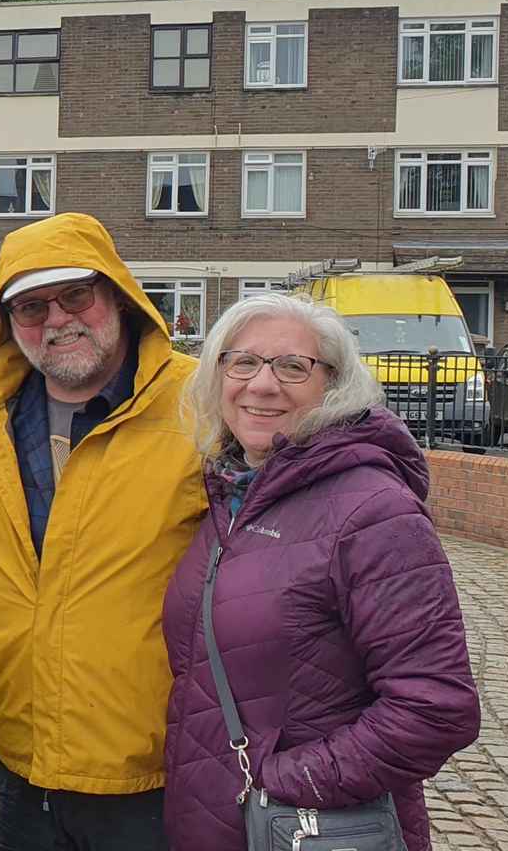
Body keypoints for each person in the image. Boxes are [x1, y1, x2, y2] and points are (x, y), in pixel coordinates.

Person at [162, 293, 481, 851]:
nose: (262, 384)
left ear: (333, 385)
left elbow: (436, 708)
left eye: (292, 366)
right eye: (242, 362)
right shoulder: (231, 495)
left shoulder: (374, 511)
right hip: (216, 822)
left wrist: (284, 781)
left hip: (307, 827)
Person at [0, 212, 207, 850]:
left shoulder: (204, 408)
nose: (57, 319)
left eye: (75, 295)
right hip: (19, 760)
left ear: (116, 294)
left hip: (154, 771)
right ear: (9, 322)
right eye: (32, 306)